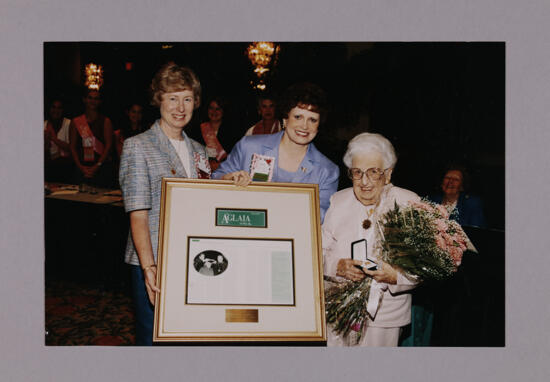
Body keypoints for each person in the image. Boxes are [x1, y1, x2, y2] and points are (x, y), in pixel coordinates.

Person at [119, 63, 210, 345]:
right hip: (153, 260)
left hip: (192, 259)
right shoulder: (138, 145)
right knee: (154, 339)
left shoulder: (198, 148)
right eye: (172, 98)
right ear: (158, 100)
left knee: (187, 338)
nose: (180, 107)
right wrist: (150, 267)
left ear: (195, 102)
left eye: (186, 98)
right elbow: (138, 215)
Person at [323, 132, 420, 346]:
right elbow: (319, 252)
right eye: (357, 172)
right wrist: (336, 266)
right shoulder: (338, 201)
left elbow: (422, 264)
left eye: (373, 172)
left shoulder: (408, 203)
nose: (364, 181)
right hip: (337, 309)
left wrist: (394, 276)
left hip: (384, 317)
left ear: (388, 174)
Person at [212, 83, 339, 223]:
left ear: (319, 125)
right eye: (298, 117)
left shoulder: (328, 171)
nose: (304, 126)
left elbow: (320, 218)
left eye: (312, 120)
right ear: (285, 118)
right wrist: (229, 179)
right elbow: (215, 179)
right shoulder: (249, 146)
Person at [69, 88, 114, 188]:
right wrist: (80, 167)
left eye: (96, 99)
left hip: (100, 167)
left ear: (99, 102)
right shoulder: (76, 121)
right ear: (84, 100)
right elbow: (72, 147)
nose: (93, 101)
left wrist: (96, 166)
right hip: (81, 168)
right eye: (90, 98)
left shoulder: (106, 121)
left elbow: (108, 146)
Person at [199, 97, 239, 171]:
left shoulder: (232, 131)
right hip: (201, 170)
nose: (214, 112)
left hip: (223, 170)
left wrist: (219, 165)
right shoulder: (197, 130)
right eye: (211, 108)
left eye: (218, 109)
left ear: (223, 111)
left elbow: (234, 156)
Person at [44, 98, 73, 183]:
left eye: (59, 108)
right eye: (53, 107)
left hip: (66, 167)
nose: (56, 110)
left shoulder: (69, 123)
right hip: (48, 167)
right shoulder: (44, 124)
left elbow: (71, 148)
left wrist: (53, 138)